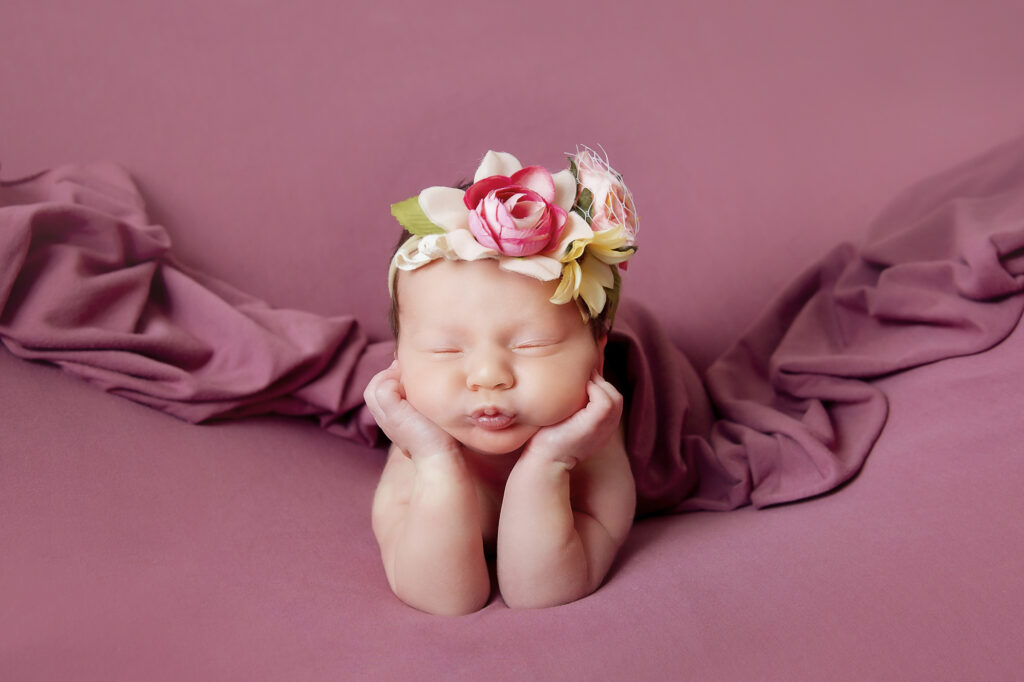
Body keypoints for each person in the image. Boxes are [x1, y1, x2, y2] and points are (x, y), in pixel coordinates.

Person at [363, 148, 640, 615]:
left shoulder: (597, 446)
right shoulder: (417, 443)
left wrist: (552, 460)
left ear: (598, 354)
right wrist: (435, 460)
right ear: (399, 359)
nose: (488, 376)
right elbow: (445, 598)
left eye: (531, 345)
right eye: (445, 349)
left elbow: (542, 591)